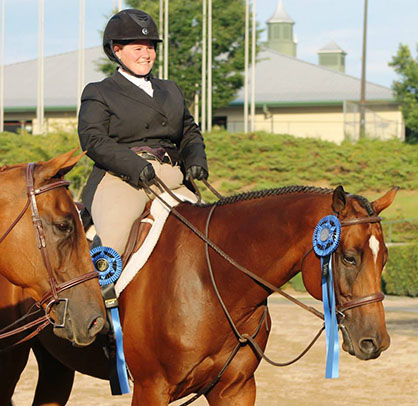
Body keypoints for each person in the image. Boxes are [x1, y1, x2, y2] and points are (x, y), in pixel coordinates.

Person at [78, 9, 208, 255]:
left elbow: (189, 130)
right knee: (113, 244)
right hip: (123, 181)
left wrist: (196, 159)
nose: (146, 55)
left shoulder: (171, 89)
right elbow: (93, 139)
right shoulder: (100, 92)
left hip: (172, 180)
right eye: (138, 48)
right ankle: (100, 290)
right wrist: (134, 166)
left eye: (150, 47)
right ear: (116, 50)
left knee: (209, 236)